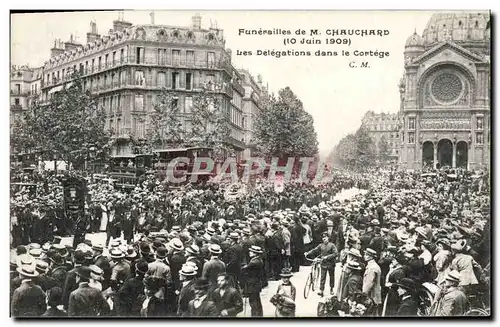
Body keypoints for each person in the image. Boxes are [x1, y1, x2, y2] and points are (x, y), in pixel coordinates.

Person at [305, 232, 338, 296]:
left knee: (331, 277)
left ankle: (331, 289)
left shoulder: (332, 245)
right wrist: (308, 253)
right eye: (323, 238)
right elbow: (314, 250)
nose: (324, 239)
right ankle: (321, 290)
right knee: (322, 277)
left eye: (325, 237)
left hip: (331, 264)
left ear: (328, 238)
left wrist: (327, 257)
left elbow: (336, 253)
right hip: (323, 264)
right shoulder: (321, 245)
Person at [241, 245, 264, 317]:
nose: (249, 252)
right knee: (257, 301)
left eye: (251, 251)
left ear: (255, 253)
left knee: (253, 302)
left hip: (252, 284)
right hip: (256, 283)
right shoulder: (259, 260)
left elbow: (245, 270)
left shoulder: (253, 262)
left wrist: (243, 267)